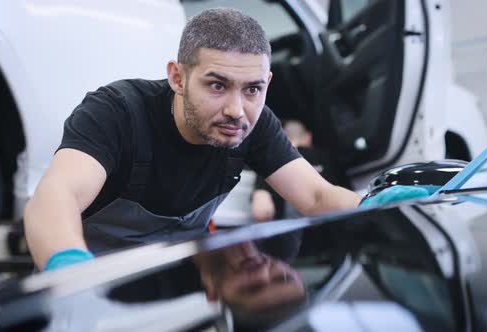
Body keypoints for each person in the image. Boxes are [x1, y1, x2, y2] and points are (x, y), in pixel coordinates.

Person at [23, 8, 362, 271]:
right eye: (217, 85)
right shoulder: (116, 112)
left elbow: (317, 196)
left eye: (252, 89)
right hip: (97, 288)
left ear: (267, 82)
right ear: (177, 77)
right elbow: (57, 195)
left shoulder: (253, 124)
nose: (236, 110)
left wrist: (374, 204)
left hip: (183, 287)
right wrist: (67, 269)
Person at [251, 119, 350, 221]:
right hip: (332, 226)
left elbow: (261, 211)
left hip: (292, 231)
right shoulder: (328, 158)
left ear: (282, 139)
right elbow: (348, 194)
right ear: (308, 137)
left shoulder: (272, 161)